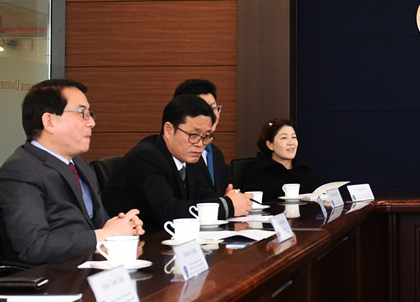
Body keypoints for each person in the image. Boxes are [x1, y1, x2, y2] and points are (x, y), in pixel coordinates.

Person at [0, 78, 142, 265]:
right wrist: (105, 235)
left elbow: (97, 226)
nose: (91, 123)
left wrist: (122, 229)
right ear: (49, 121)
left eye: (90, 114)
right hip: (54, 276)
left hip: (91, 268)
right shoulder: (20, 170)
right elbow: (34, 247)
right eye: (82, 113)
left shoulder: (79, 164)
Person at [103, 95, 251, 229]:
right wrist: (227, 205)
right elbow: (168, 211)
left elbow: (204, 196)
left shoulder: (189, 157)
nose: (200, 144)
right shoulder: (145, 158)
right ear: (168, 129)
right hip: (138, 243)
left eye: (206, 136)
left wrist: (227, 199)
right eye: (194, 135)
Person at [240, 118, 319, 201]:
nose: (291, 142)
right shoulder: (256, 175)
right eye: (284, 138)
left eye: (293, 137)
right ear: (270, 145)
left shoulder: (304, 171)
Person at [175, 78, 229, 192]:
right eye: (204, 110)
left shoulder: (216, 153)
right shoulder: (179, 154)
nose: (213, 115)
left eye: (214, 108)